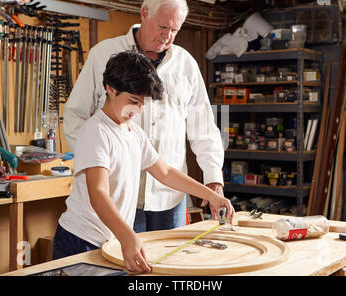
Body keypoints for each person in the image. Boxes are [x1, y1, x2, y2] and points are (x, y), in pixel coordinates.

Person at [63, 0, 225, 233]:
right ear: (144, 13)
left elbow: (203, 126)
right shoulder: (103, 54)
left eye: (175, 30)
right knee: (124, 265)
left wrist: (213, 177)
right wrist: (98, 163)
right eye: (163, 27)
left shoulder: (185, 64)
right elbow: (75, 116)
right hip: (119, 194)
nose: (167, 36)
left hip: (170, 194)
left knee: (168, 265)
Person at [53, 51, 234, 273]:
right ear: (110, 88)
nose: (137, 110)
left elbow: (165, 172)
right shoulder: (96, 131)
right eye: (133, 101)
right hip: (82, 240)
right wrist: (128, 236)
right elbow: (98, 193)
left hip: (111, 239)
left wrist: (212, 195)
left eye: (143, 104)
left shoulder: (133, 132)